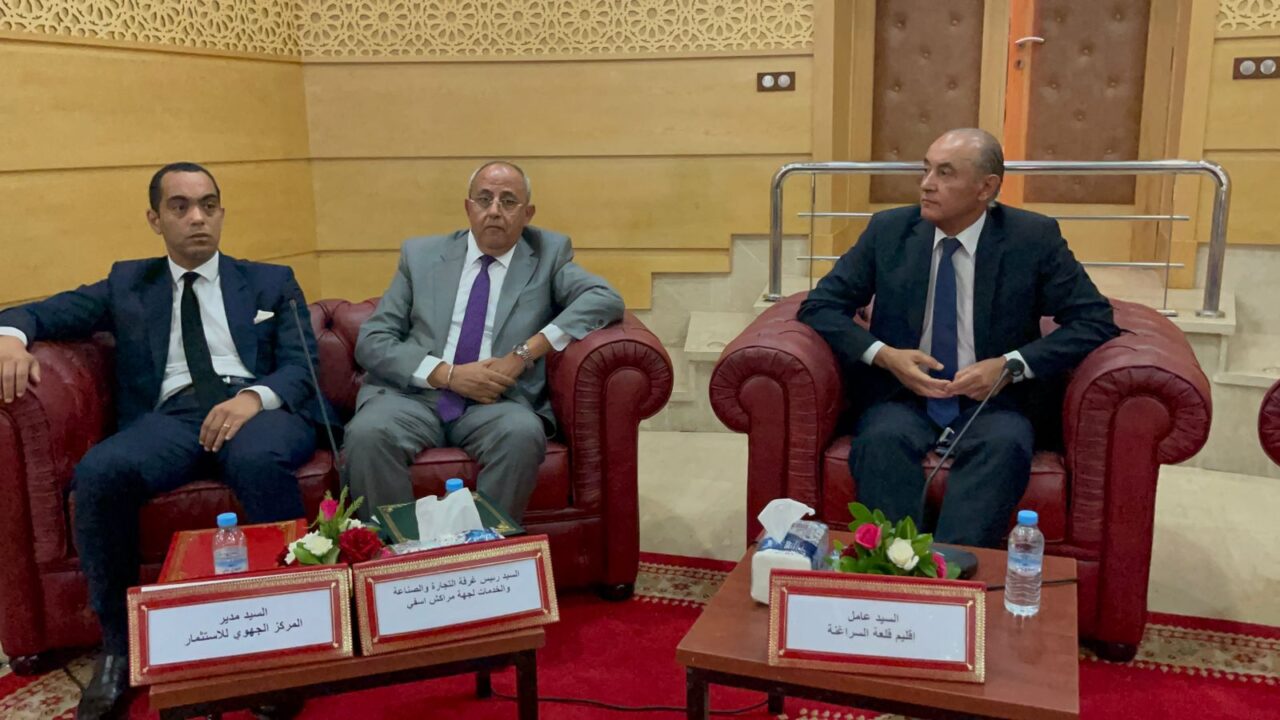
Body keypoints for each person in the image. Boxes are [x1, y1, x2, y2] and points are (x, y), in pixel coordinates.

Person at [0, 163, 327, 720]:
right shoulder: (127, 284)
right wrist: (9, 337)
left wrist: (253, 399)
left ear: (221, 213)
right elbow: (36, 312)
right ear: (155, 219)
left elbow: (303, 366)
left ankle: (285, 639)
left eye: (208, 205)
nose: (197, 217)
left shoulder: (271, 281)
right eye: (180, 206)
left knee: (258, 459)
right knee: (101, 473)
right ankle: (120, 649)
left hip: (257, 408)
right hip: (171, 417)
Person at [798, 128, 1119, 548]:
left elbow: (1094, 320)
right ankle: (894, 570)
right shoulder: (889, 231)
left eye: (945, 173)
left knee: (1004, 444)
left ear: (986, 188)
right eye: (926, 169)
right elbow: (820, 306)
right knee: (880, 441)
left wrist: (1011, 366)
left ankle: (953, 571)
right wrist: (885, 355)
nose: (927, 184)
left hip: (994, 402)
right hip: (902, 396)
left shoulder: (1032, 238)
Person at [343, 160, 624, 522]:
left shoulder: (548, 254)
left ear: (527, 214)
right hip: (415, 397)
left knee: (522, 433)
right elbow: (373, 339)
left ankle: (485, 550)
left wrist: (523, 354)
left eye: (508, 201)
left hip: (496, 401)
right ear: (468, 207)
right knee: (367, 434)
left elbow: (604, 299)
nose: (494, 211)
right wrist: (447, 374)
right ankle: (398, 551)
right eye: (484, 199)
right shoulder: (422, 256)